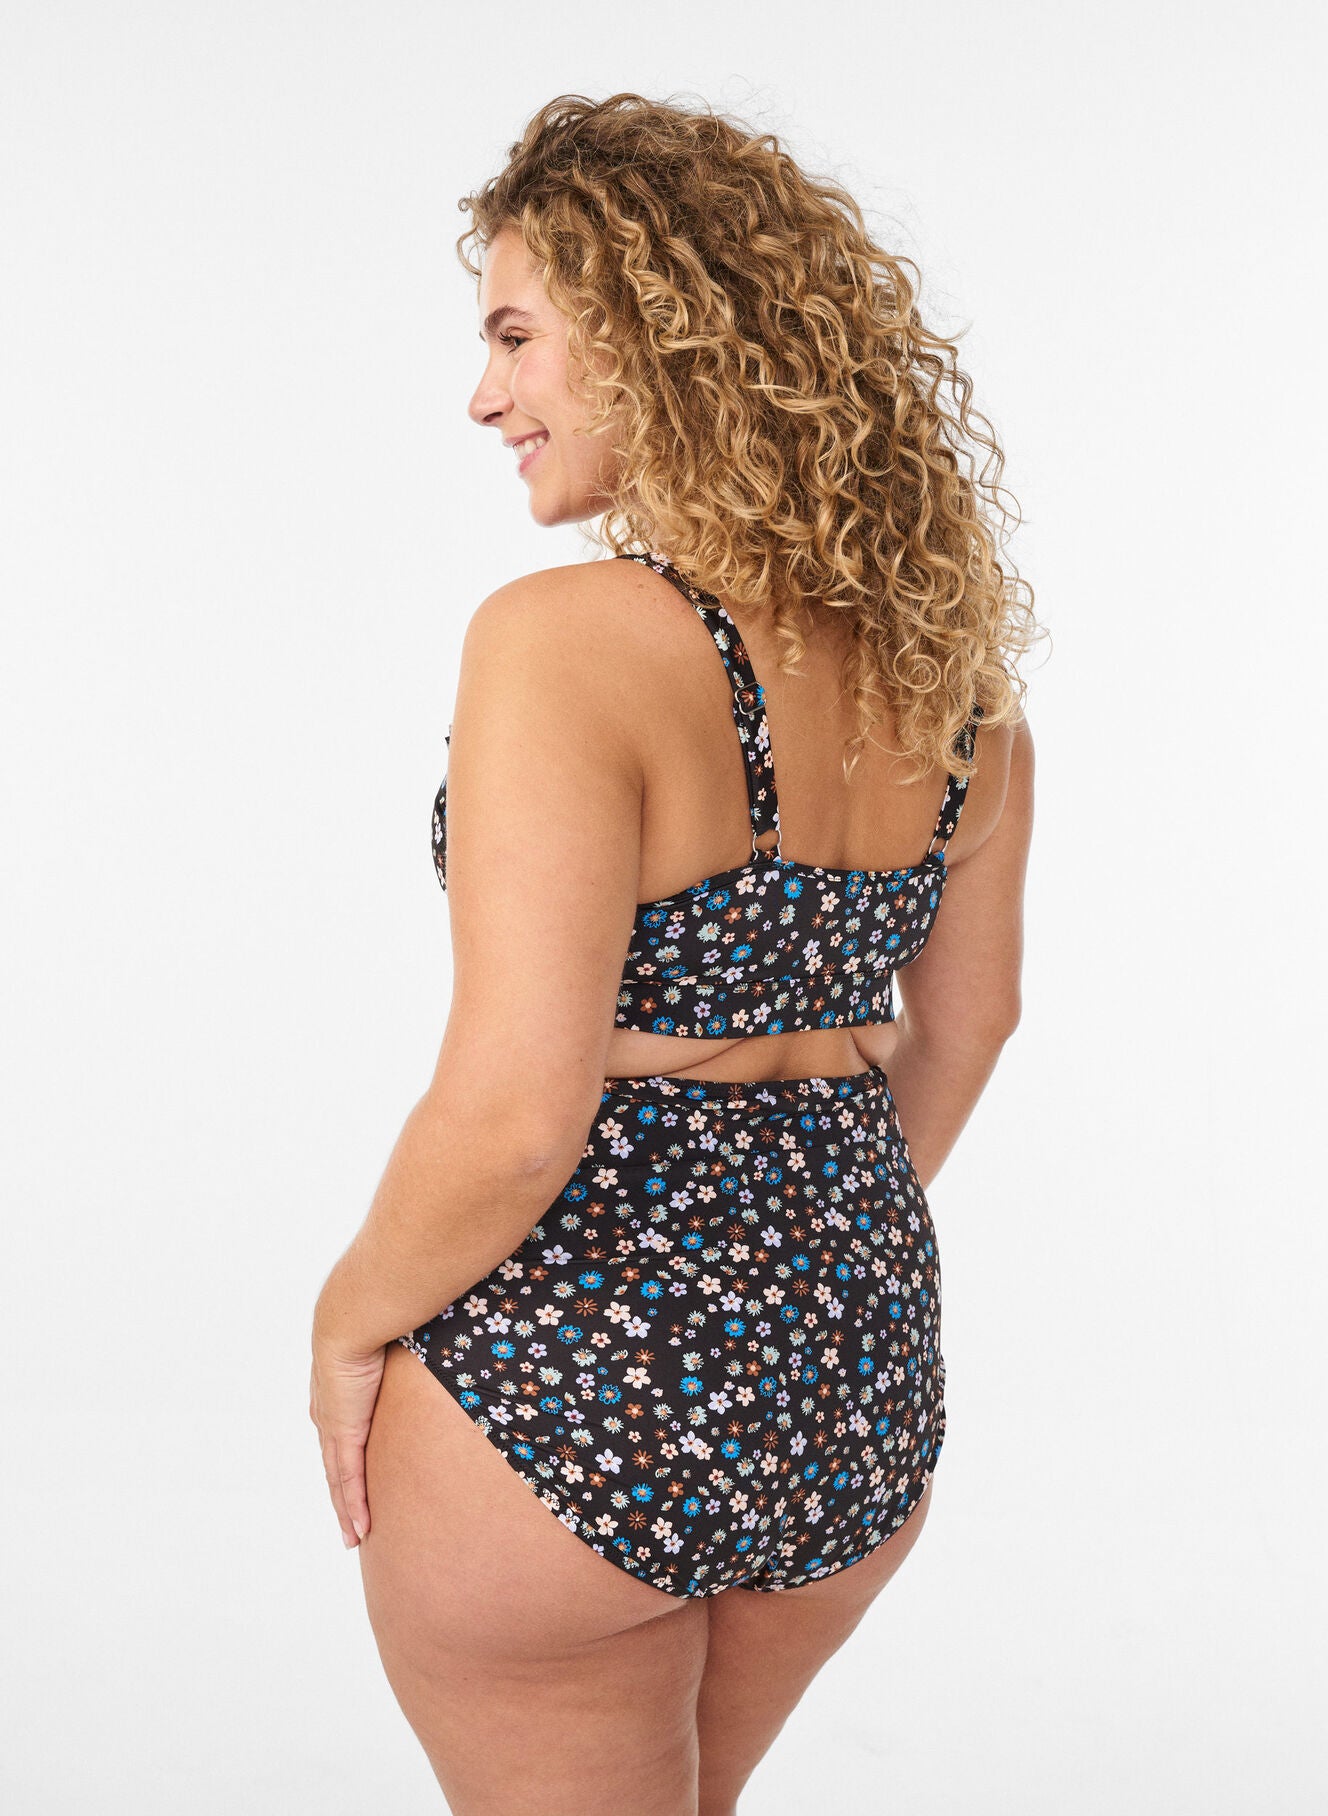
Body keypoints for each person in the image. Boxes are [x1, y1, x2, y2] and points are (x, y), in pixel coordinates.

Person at [310, 91, 1039, 1815]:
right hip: (852, 1368)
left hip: (572, 1378)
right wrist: (788, 1249)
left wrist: (347, 1324)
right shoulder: (960, 692)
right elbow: (972, 1027)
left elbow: (515, 1118)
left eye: (516, 337)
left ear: (656, 335)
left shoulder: (563, 644)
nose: (486, 395)